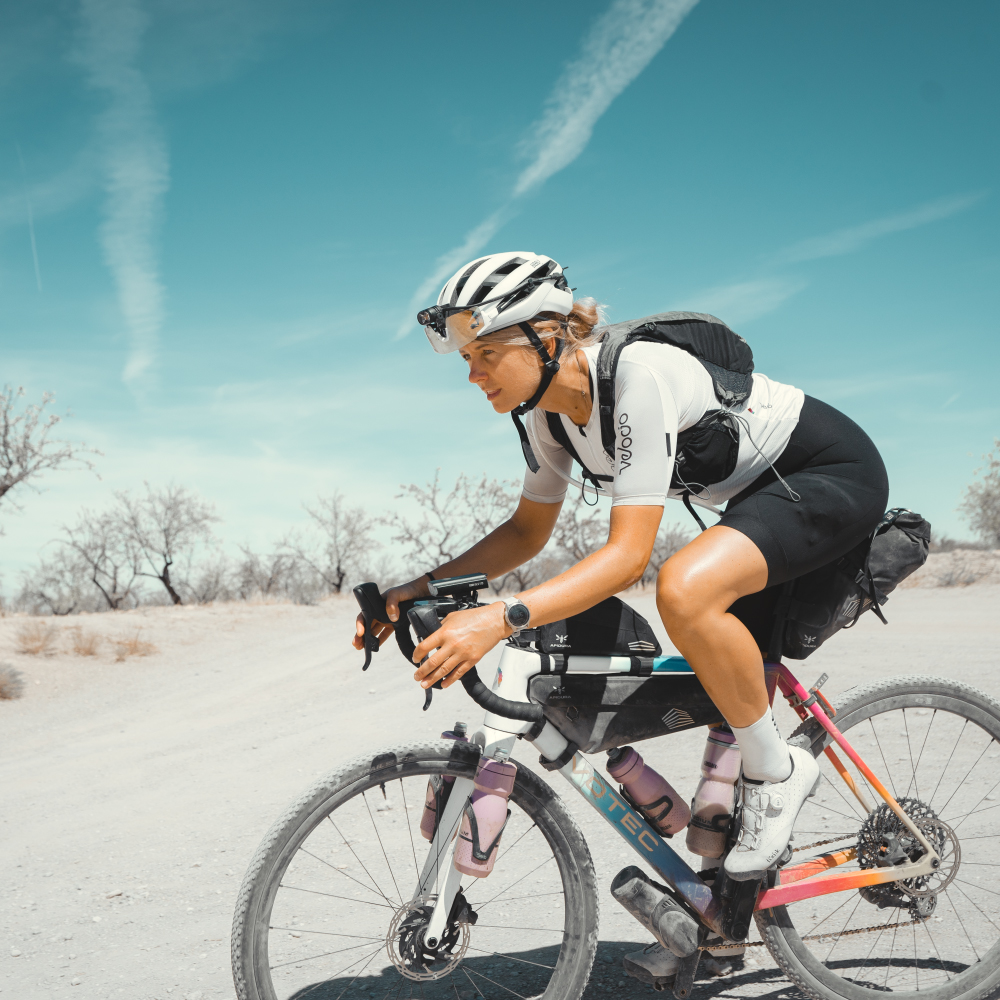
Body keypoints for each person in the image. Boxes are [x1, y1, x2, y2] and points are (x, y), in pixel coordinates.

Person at [352, 251, 888, 973]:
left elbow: (628, 557)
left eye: (485, 353)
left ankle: (778, 771)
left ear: (545, 335)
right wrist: (414, 590)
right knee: (712, 668)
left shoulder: (638, 375)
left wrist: (499, 617)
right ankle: (722, 923)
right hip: (757, 503)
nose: (473, 374)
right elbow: (526, 532)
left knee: (684, 588)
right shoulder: (547, 414)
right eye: (466, 358)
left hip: (832, 475)